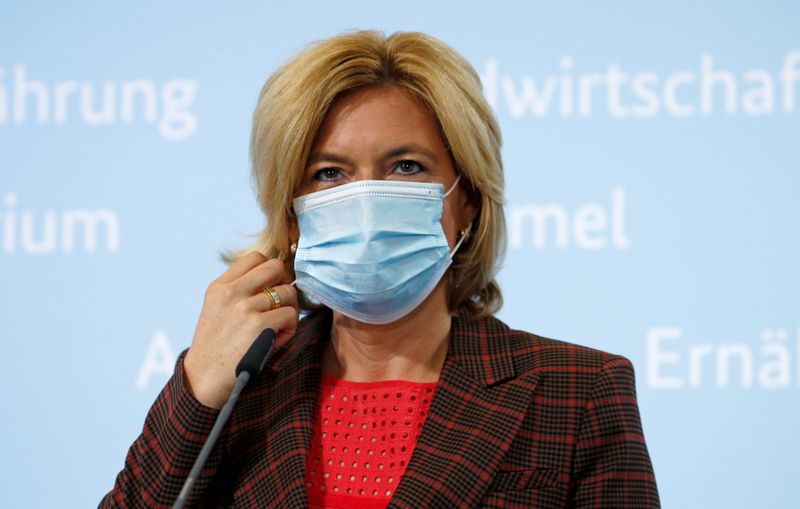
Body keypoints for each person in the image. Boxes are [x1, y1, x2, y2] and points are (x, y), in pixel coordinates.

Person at [101, 30, 660, 508]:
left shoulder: (579, 391)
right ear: (291, 216)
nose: (366, 199)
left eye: (406, 166)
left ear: (467, 200)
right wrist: (199, 385)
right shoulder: (241, 390)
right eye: (329, 174)